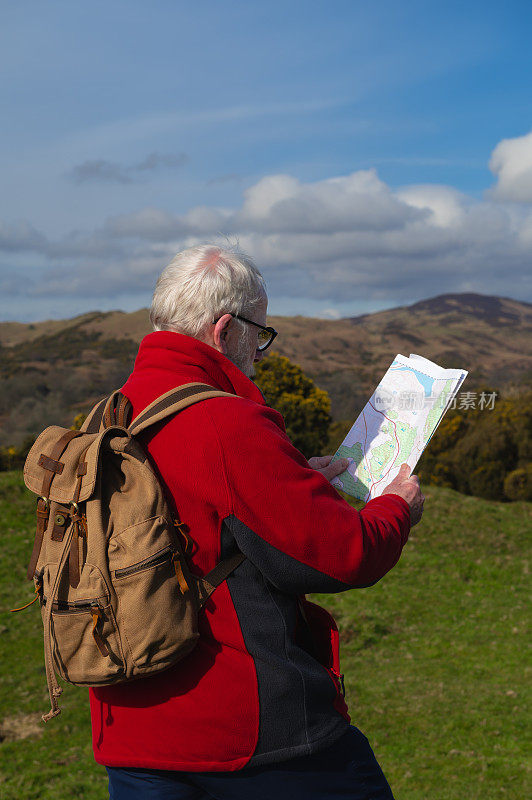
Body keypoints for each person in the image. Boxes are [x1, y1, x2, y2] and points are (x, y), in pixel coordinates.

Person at [93, 244, 425, 800]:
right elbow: (343, 553)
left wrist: (294, 477)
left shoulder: (110, 413)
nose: (261, 351)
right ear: (224, 330)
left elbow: (207, 513)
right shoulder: (227, 421)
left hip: (128, 728)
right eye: (260, 333)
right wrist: (397, 506)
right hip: (246, 734)